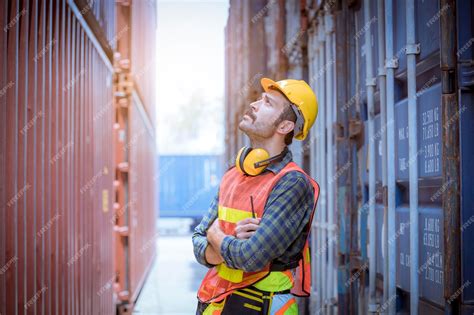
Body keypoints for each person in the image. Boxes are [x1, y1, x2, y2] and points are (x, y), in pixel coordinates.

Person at [192, 78, 320, 315]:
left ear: (284, 127)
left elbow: (251, 258)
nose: (253, 104)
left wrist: (216, 235)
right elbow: (198, 241)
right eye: (259, 98)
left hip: (262, 306)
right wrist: (227, 242)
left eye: (267, 103)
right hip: (218, 303)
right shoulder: (233, 174)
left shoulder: (291, 183)